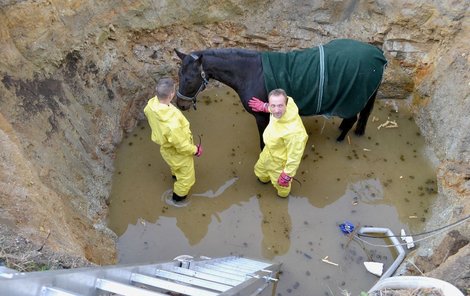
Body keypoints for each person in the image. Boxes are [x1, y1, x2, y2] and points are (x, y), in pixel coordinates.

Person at [144, 77, 202, 202]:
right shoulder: (172, 124)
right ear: (172, 94)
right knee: (187, 179)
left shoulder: (151, 105)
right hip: (179, 154)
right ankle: (177, 199)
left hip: (166, 149)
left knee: (175, 167)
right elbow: (181, 146)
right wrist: (195, 150)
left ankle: (175, 176)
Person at [248, 89, 308, 197]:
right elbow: (275, 108)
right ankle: (263, 180)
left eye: (280, 106)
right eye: (273, 106)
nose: (276, 110)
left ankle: (283, 195)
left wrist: (287, 175)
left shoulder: (295, 132)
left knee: (281, 186)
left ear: (286, 104)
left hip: (279, 163)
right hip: (268, 152)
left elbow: (295, 156)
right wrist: (264, 107)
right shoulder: (281, 108)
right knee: (260, 171)